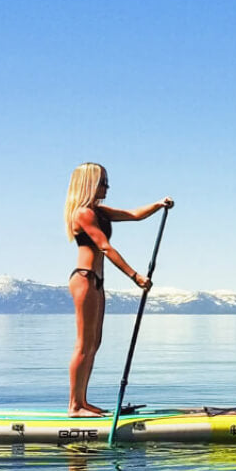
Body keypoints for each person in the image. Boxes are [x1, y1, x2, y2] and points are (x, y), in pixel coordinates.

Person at [64, 162, 173, 417]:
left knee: (94, 344)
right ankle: (75, 405)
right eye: (103, 182)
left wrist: (158, 205)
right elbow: (105, 247)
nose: (107, 187)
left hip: (97, 281)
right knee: (83, 344)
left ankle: (84, 401)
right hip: (85, 278)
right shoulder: (83, 214)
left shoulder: (100, 212)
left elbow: (134, 215)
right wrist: (135, 276)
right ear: (89, 184)